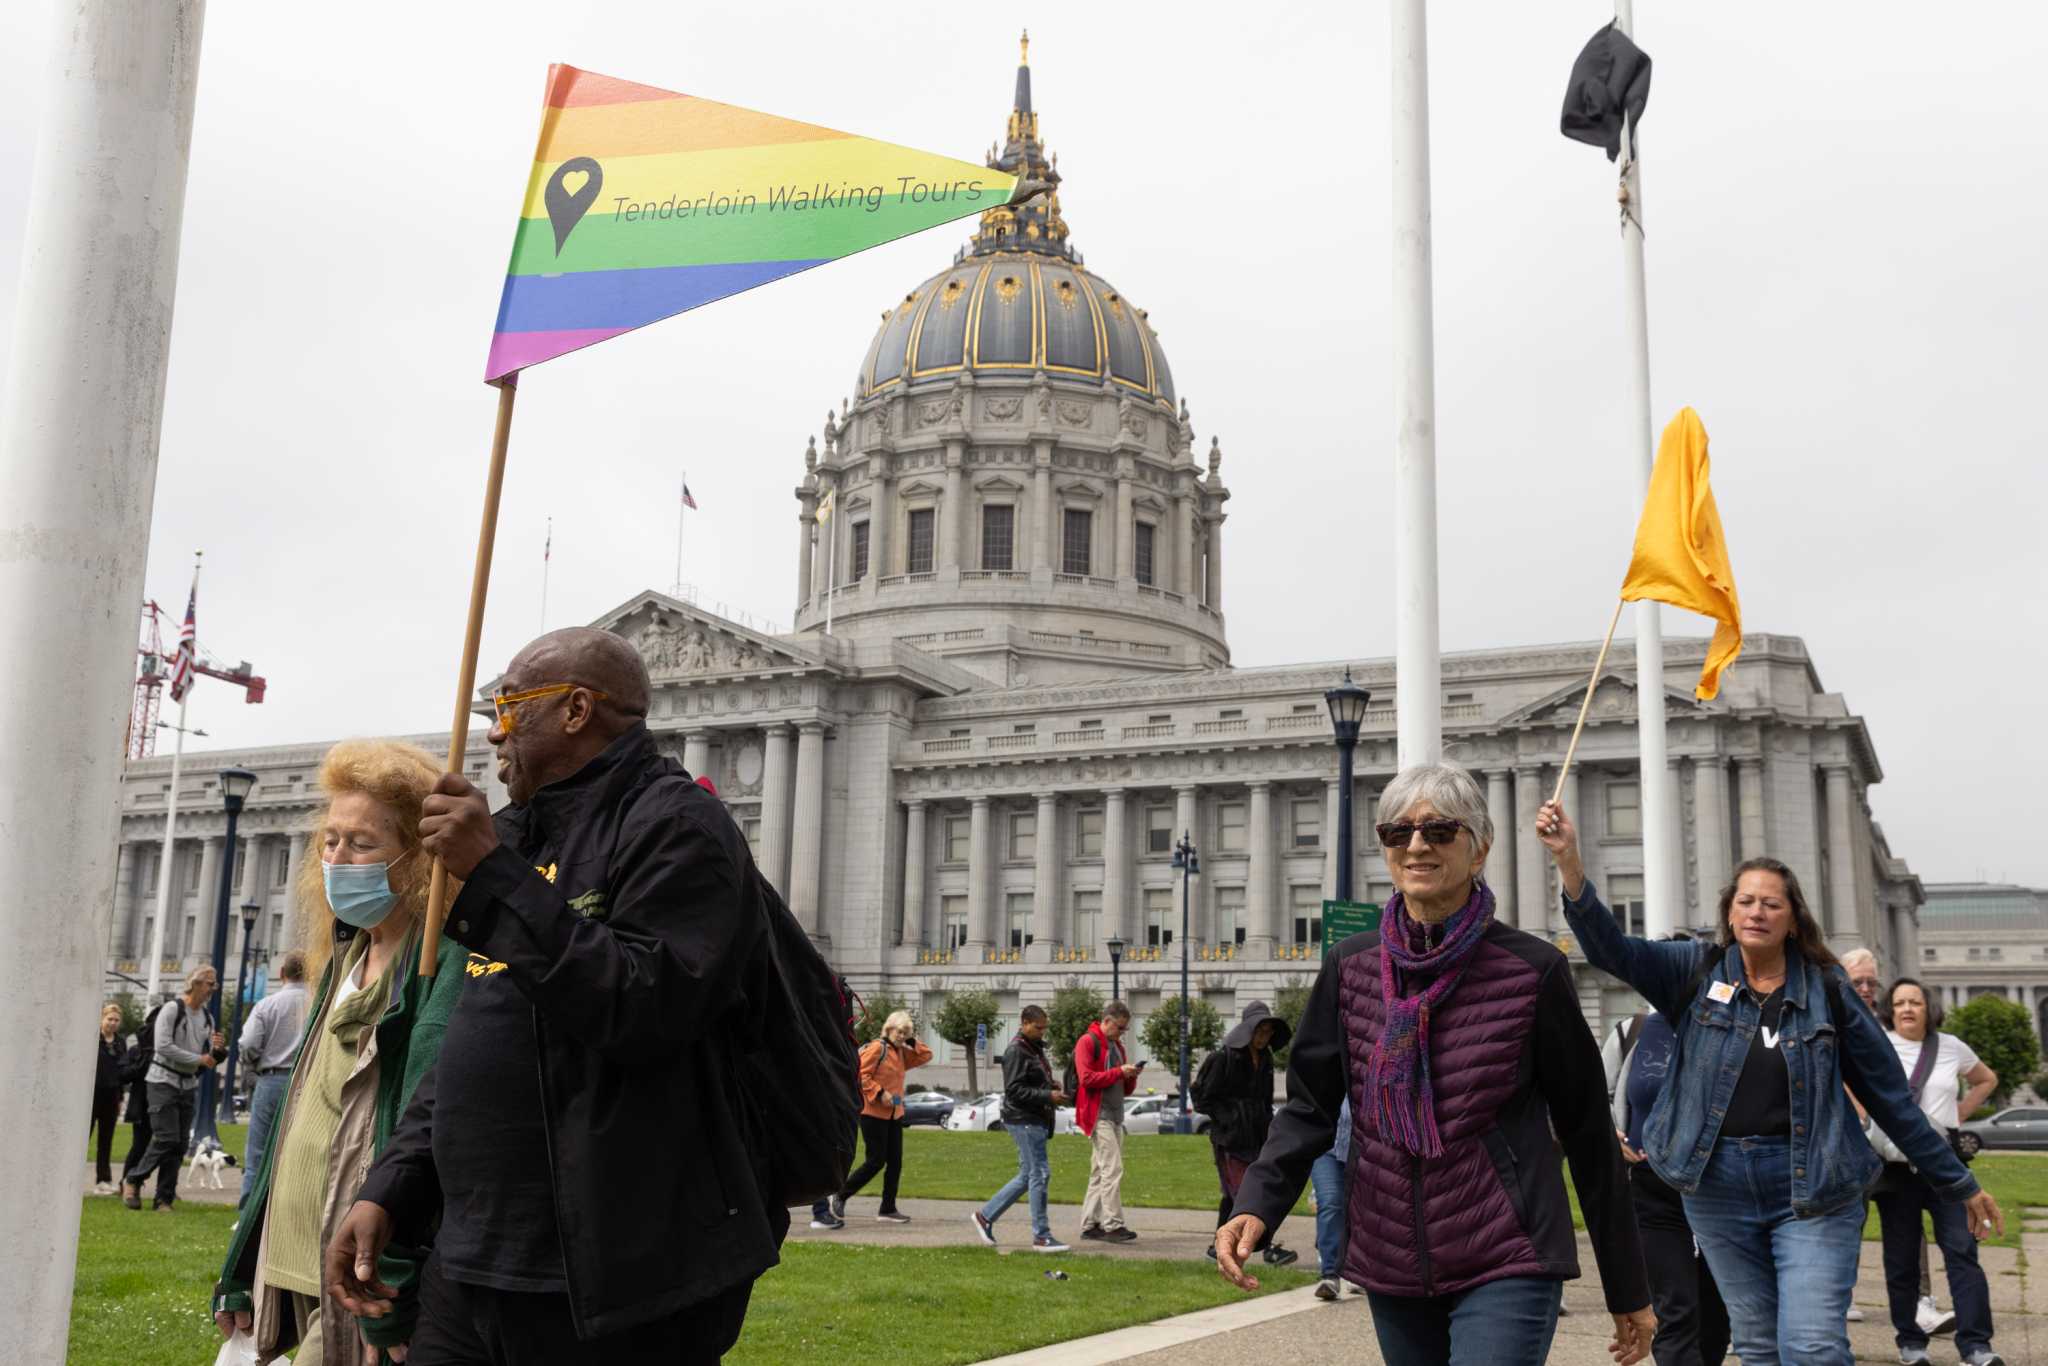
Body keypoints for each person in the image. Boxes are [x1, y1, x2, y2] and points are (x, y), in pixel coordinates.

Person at [327, 628, 786, 1363]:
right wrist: (393, 1182)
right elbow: (467, 1044)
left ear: (576, 710)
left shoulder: (677, 827)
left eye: (510, 706)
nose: (493, 729)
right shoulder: (513, 837)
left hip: (610, 1278)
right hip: (469, 1263)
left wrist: (493, 873)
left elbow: (642, 1007)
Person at [1215, 764, 1654, 1366]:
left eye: (1439, 831)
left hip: (1508, 1250)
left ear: (1480, 850)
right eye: (1398, 833)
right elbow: (1310, 1109)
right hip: (1391, 1254)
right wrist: (1254, 1206)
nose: (1417, 845)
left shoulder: (1532, 971)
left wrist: (1627, 1287)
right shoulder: (1351, 966)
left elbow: (1587, 1132)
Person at [1538, 797, 2002, 1366]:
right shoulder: (1694, 969)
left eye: (1772, 903)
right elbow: (1610, 949)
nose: (1757, 911)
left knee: (1811, 1345)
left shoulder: (1828, 991)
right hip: (1718, 1190)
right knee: (1757, 1345)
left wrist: (1958, 1183)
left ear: (1792, 919)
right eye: (1747, 901)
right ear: (1730, 913)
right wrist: (1570, 861)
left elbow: (1890, 1099)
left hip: (1813, 1188)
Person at [211, 740, 469, 1364]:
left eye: (362, 843)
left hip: (359, 1271)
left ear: (415, 858)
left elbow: (419, 1125)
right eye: (330, 840)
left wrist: (395, 1284)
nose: (337, 858)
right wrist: (245, 1260)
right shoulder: (346, 955)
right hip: (295, 1256)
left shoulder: (441, 963)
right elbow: (298, 1117)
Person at [1873, 978, 2003, 1366]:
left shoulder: (1950, 1047)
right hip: (1896, 1168)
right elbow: (1851, 1085)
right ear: (1890, 1010)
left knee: (1963, 1252)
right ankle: (1910, 1343)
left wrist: (1957, 1117)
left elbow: (1986, 1079)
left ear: (1929, 1009)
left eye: (1915, 1002)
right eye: (1900, 1003)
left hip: (1946, 1167)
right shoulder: (1878, 1044)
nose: (1908, 1009)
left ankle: (1976, 1345)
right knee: (1901, 1258)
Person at [1604, 974, 1730, 1365]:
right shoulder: (1633, 1031)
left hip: (1718, 1188)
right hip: (1650, 1188)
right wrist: (1614, 1134)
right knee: (1676, 1308)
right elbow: (1596, 1094)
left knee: (1717, 1312)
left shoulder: (1728, 1032)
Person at [1840, 946, 1954, 1337]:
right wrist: (1863, 1112)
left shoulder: (1883, 1023)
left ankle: (1922, 1302)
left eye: (1872, 981)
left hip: (1891, 1147)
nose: (1868, 988)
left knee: (1908, 1223)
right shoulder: (1832, 1016)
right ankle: (1843, 1296)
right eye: (1859, 982)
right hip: (1850, 1143)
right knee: (1847, 1220)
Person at [1195, 1001, 1298, 1268]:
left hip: (1257, 1136)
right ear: (1248, 1030)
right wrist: (1230, 1117)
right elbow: (1202, 1097)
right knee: (1246, 1192)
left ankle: (1217, 1246)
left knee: (1235, 1195)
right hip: (1230, 1140)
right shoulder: (1223, 1058)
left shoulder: (1265, 1059)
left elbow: (1264, 1099)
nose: (1264, 1038)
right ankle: (1267, 1248)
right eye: (1259, 1031)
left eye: (1268, 1032)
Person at [123, 965, 226, 1211]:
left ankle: (164, 1198)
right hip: (162, 1081)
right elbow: (163, 1046)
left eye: (215, 984)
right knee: (166, 1137)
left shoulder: (207, 1018)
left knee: (179, 1144)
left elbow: (207, 1056)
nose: (213, 989)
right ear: (196, 983)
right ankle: (133, 1178)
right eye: (210, 984)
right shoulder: (172, 1009)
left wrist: (217, 1052)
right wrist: (200, 1059)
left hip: (188, 1084)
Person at [970, 1004, 1069, 1252]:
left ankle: (985, 1216)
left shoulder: (1032, 1049)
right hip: (1024, 1119)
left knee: (1028, 1176)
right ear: (1024, 1023)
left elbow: (1028, 1082)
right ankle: (1041, 1236)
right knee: (1040, 1174)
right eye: (1038, 1027)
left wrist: (1050, 1085)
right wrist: (1048, 1095)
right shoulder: (1016, 1050)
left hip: (1032, 1118)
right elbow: (1014, 1090)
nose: (1042, 1032)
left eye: (1044, 1028)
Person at [829, 1011, 931, 1223]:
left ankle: (888, 1208)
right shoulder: (878, 1048)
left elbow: (926, 1055)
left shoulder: (901, 1052)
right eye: (899, 1031)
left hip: (895, 1115)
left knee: (895, 1163)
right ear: (889, 1028)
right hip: (873, 1113)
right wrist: (879, 1093)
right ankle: (840, 1194)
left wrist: (912, 1041)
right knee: (876, 1161)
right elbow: (860, 1074)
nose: (902, 1036)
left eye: (906, 1033)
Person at [234, 949, 309, 1203]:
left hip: (272, 1078)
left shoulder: (267, 1004)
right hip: (307, 1081)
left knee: (258, 1149)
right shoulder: (319, 1002)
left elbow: (248, 1044)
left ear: (281, 974)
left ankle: (249, 1208)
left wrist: (251, 1063)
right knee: (299, 1150)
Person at [1073, 1000, 1140, 1243]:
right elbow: (1087, 1079)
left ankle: (1090, 1223)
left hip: (1115, 1114)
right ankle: (1113, 1224)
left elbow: (1125, 1088)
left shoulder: (1117, 1047)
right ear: (1107, 1021)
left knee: (1100, 1171)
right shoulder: (1087, 1041)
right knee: (1112, 1168)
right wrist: (1119, 1072)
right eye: (1120, 1028)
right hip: (1097, 1114)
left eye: (1125, 1029)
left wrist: (1130, 1076)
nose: (1122, 1033)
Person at [1307, 1096, 1352, 1300]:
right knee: (1330, 1201)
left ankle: (1360, 1272)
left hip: (1361, 1144)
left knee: (1363, 1206)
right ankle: (1330, 1275)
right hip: (1325, 1147)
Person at [90, 1003, 127, 1194]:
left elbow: (122, 1071)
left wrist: (120, 1098)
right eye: (109, 1019)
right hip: (92, 1094)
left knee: (106, 1141)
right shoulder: (93, 1039)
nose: (112, 1023)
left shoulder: (121, 1043)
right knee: (82, 1138)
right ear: (102, 1019)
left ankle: (103, 1180)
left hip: (111, 1096)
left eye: (116, 1020)